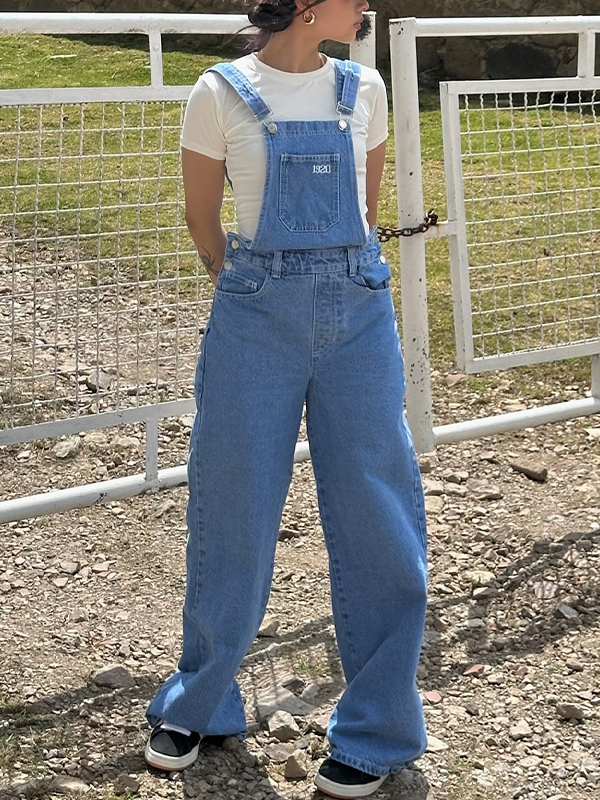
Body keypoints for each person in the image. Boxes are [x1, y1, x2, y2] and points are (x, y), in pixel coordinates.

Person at [143, 0, 429, 797]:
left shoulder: (365, 87)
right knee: (232, 502)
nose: (365, 4)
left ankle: (378, 728)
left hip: (359, 312)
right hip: (254, 318)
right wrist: (255, 293)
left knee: (380, 512)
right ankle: (202, 702)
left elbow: (364, 213)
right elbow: (202, 220)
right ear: (306, 4)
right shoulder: (218, 92)